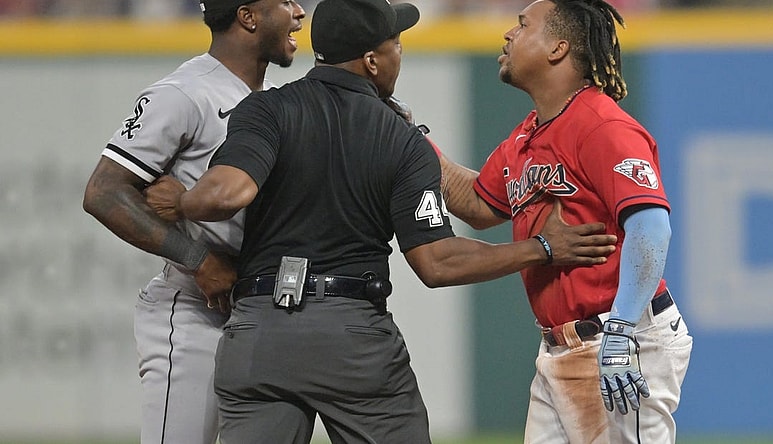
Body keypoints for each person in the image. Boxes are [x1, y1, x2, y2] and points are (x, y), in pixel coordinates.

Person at [142, 0, 618, 441]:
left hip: (259, 334)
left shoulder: (265, 109)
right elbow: (437, 263)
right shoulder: (400, 139)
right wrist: (544, 248)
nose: (398, 55)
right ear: (372, 61)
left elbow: (227, 192)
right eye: (396, 44)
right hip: (350, 340)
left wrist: (181, 203)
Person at [436, 1, 693, 442]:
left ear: (558, 47)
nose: (508, 35)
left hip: (621, 338)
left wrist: (621, 331)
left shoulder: (601, 125)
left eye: (522, 25)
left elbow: (652, 228)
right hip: (560, 349)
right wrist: (412, 142)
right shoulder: (526, 137)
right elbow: (479, 206)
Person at [81, 1, 306, 443]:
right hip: (196, 311)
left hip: (263, 310)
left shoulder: (274, 100)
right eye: (285, 1)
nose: (299, 11)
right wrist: (199, 260)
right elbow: (103, 192)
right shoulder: (184, 92)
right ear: (248, 16)